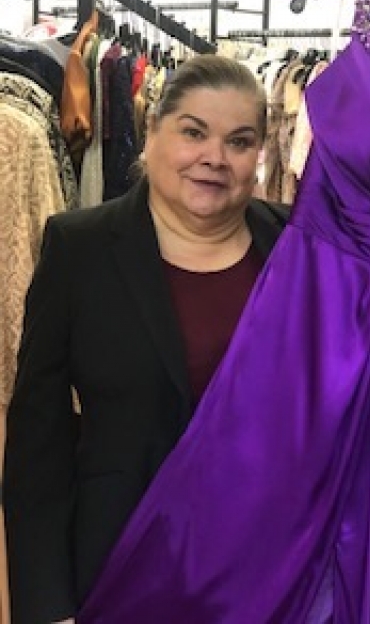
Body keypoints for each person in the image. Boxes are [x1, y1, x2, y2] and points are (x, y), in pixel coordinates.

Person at [3, 54, 289, 624]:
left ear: (258, 154)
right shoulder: (79, 248)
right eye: (193, 132)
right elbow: (39, 440)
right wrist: (46, 606)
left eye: (239, 141)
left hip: (264, 567)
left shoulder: (292, 244)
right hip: (121, 562)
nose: (214, 157)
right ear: (153, 129)